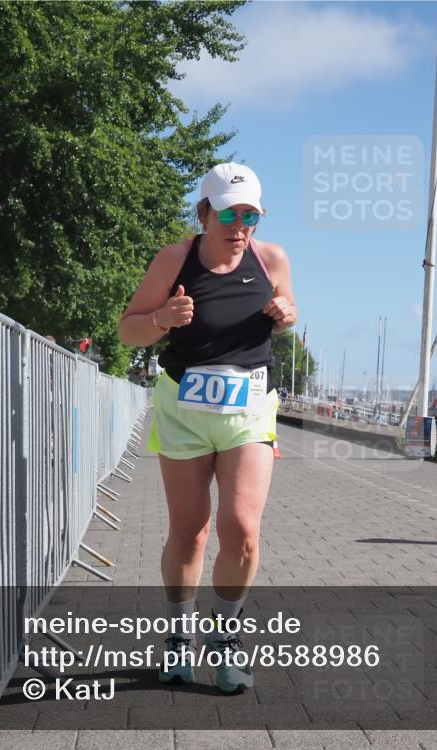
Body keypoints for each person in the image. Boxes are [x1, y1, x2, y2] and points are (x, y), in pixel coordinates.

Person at [118, 162, 296, 692]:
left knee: (241, 529)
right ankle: (177, 637)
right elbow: (129, 332)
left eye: (251, 216)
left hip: (249, 408)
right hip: (184, 409)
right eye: (230, 214)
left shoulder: (272, 258)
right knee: (190, 532)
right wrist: (161, 321)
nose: (240, 226)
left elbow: (288, 311)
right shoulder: (176, 259)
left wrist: (287, 314)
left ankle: (225, 641)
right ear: (205, 212)